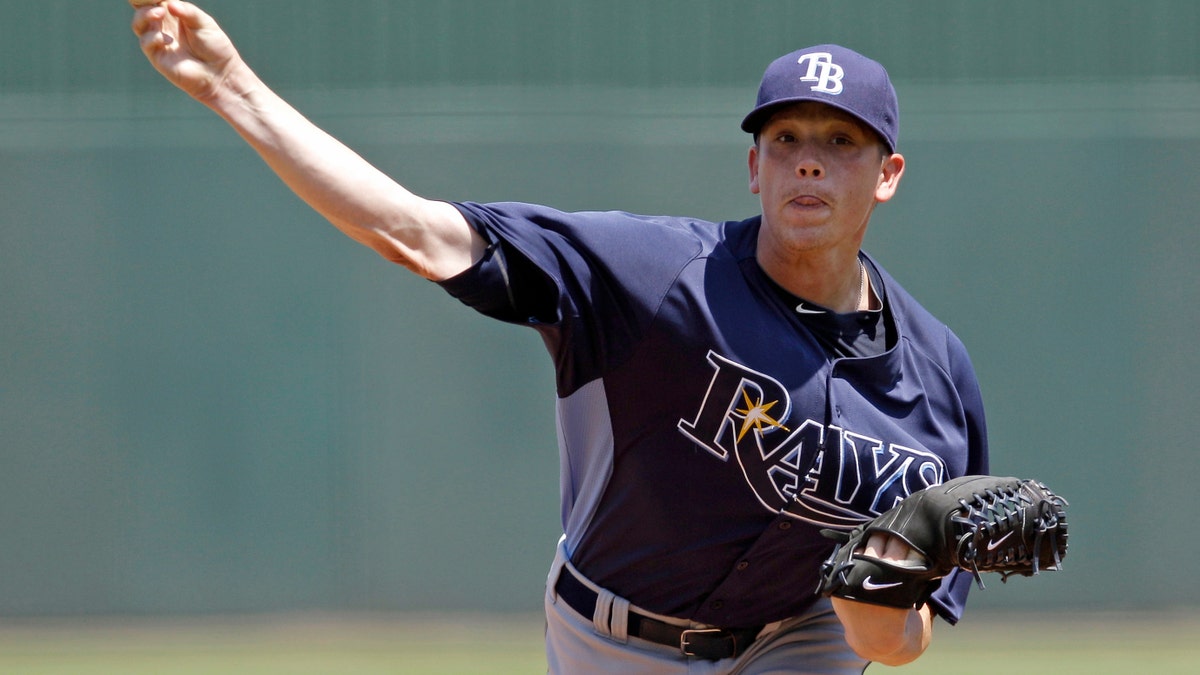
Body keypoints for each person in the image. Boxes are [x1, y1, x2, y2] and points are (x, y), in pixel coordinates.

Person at [131, 2, 988, 672]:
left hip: (803, 640)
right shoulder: (654, 275)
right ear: (753, 166)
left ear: (887, 176)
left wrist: (884, 578)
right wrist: (231, 85)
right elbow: (416, 233)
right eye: (786, 137)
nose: (809, 160)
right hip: (620, 638)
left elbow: (897, 640)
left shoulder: (937, 377)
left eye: (841, 142)